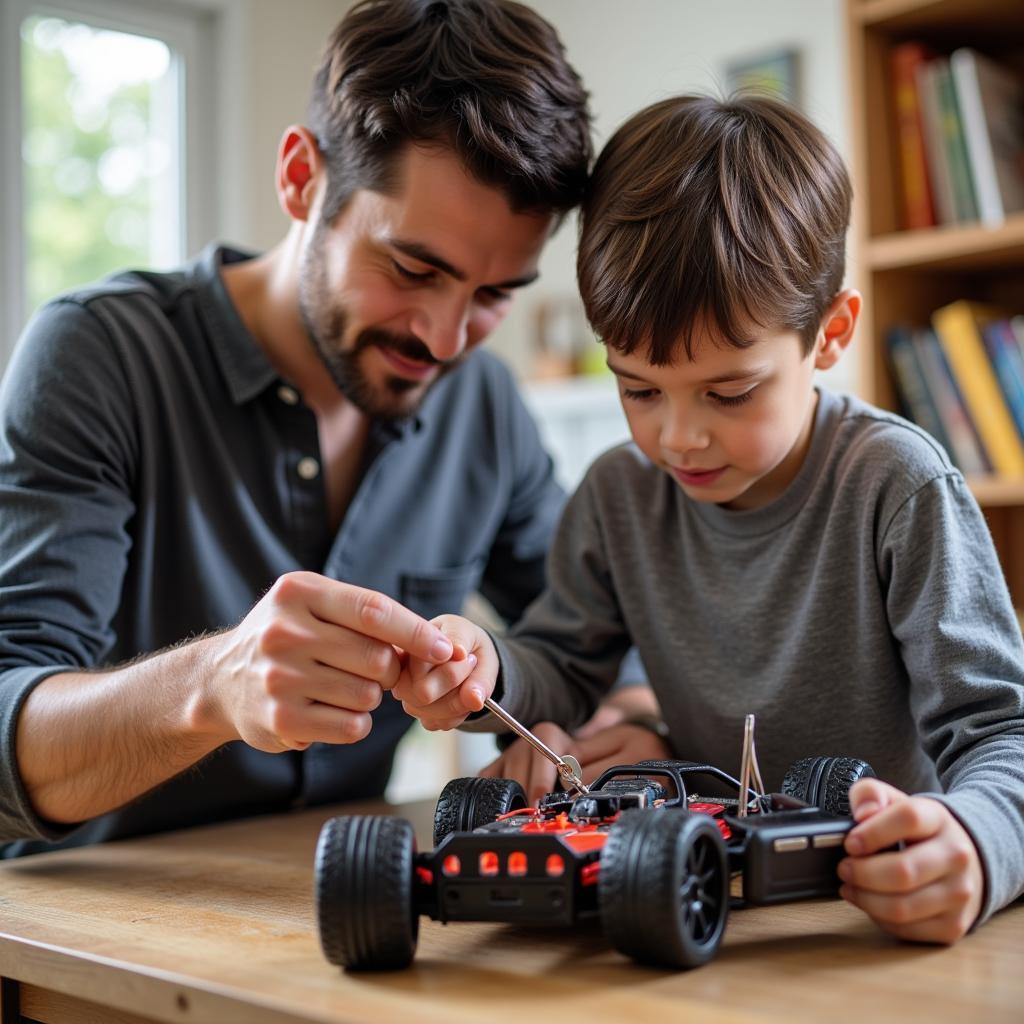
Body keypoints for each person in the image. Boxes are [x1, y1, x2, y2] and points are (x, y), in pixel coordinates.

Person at [0, 0, 656, 857]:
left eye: (495, 294)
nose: (447, 338)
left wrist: (625, 726)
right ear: (301, 177)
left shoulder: (482, 405)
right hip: (92, 944)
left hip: (339, 913)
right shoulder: (99, 353)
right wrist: (210, 686)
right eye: (414, 268)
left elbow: (600, 632)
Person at [393, 93, 1024, 945]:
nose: (677, 436)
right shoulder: (619, 495)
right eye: (638, 389)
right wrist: (489, 667)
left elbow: (1002, 731)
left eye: (730, 392)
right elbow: (567, 665)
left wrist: (979, 845)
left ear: (830, 334)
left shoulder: (897, 483)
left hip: (862, 915)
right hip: (684, 891)